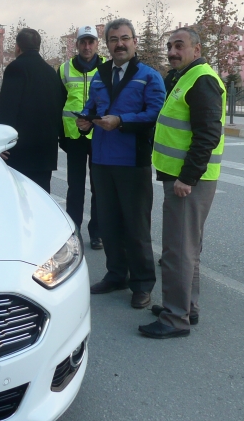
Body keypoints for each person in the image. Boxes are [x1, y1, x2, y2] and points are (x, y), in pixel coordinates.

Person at [138, 26, 225, 339]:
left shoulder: (201, 80)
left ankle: (175, 319)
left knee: (177, 250)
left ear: (197, 50)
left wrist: (187, 178)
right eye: (170, 46)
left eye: (180, 46)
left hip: (187, 181)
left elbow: (207, 134)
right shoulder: (182, 77)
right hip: (180, 177)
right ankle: (187, 306)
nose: (173, 52)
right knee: (188, 249)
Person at [76, 19, 165, 309]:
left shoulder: (148, 76)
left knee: (136, 226)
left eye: (125, 38)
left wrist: (122, 121)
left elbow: (155, 114)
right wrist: (84, 123)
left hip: (132, 161)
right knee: (109, 222)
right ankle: (116, 274)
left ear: (135, 42)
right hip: (101, 159)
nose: (120, 44)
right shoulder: (100, 76)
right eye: (113, 39)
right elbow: (92, 107)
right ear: (108, 45)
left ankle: (141, 284)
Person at [0, 28, 66, 193]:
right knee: (41, 199)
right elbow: (58, 108)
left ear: (18, 47)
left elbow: (8, 108)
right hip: (45, 153)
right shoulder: (51, 72)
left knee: (19, 198)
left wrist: (0, 144)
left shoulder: (15, 68)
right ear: (39, 47)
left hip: (19, 153)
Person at [60, 26, 106, 249]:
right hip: (74, 136)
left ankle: (97, 233)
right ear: (76, 45)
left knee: (99, 187)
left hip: (101, 136)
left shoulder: (108, 67)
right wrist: (61, 136)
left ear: (97, 44)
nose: (87, 47)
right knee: (75, 186)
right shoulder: (64, 69)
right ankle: (74, 229)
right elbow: (57, 104)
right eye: (83, 42)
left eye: (91, 42)